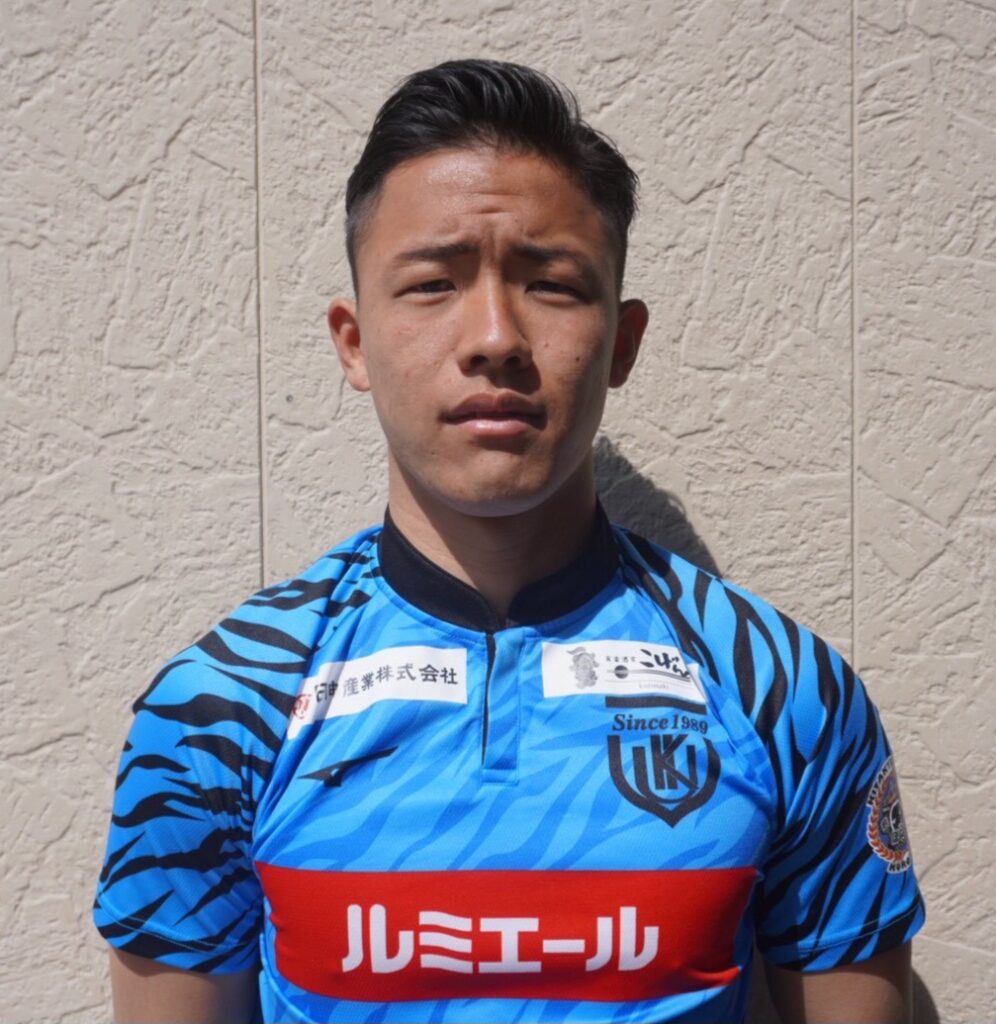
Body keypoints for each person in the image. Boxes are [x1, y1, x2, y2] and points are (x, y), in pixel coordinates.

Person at [94, 59, 924, 1024]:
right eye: (432, 283)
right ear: (354, 341)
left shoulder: (783, 690)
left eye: (552, 283)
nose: (494, 335)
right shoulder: (221, 707)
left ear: (622, 343)